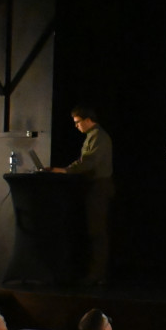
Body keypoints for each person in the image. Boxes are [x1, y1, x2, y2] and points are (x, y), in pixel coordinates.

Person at [48, 105, 114, 285]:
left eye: (78, 122)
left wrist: (65, 170)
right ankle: (95, 273)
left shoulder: (98, 136)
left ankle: (98, 274)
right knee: (94, 231)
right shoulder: (92, 136)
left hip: (99, 188)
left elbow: (88, 162)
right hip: (94, 187)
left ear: (88, 120)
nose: (76, 126)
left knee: (97, 232)